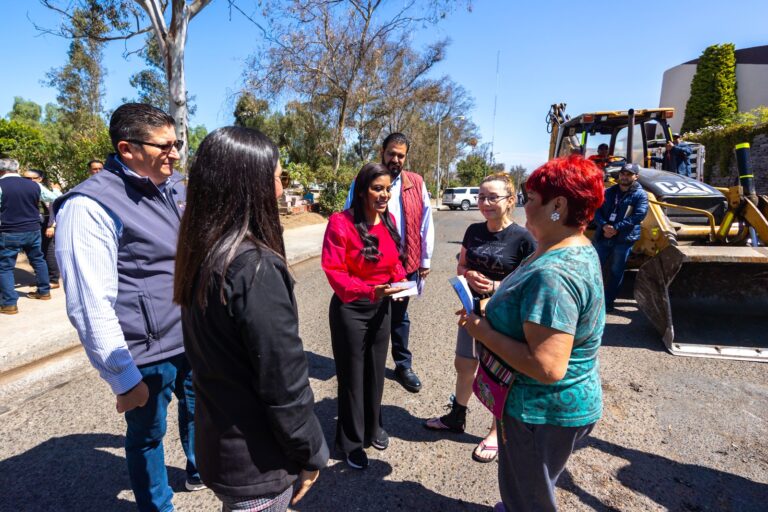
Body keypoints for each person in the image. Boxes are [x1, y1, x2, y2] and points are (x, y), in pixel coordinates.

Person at [54, 103, 202, 511]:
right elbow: (88, 303)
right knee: (147, 436)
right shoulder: (89, 206)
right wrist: (123, 377)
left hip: (190, 333)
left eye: (178, 143)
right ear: (127, 148)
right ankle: (158, 507)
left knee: (199, 410)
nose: (175, 153)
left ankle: (198, 467)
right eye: (165, 146)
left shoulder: (175, 188)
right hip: (145, 350)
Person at [174, 127, 328, 511]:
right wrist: (311, 452)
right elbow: (284, 383)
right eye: (278, 177)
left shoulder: (203, 251)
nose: (280, 190)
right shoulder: (253, 266)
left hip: (219, 447)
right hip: (255, 462)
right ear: (252, 184)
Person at [459, 155, 605, 512]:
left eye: (531, 199)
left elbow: (547, 366)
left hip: (541, 412)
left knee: (530, 498)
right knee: (527, 488)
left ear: (558, 205)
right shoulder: (566, 246)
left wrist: (481, 330)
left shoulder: (553, 274)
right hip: (548, 410)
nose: (524, 206)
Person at [425, 173, 535, 464]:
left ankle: (495, 432)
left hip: (506, 318)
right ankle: (456, 417)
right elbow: (461, 266)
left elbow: (531, 282)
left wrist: (497, 287)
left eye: (492, 197)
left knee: (499, 375)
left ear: (510, 201)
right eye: (481, 197)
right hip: (471, 310)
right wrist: (467, 274)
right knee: (464, 365)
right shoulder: (473, 230)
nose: (484, 203)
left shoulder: (524, 238)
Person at [323, 163, 407, 469]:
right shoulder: (340, 223)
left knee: (375, 371)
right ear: (361, 192)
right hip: (351, 310)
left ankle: (373, 427)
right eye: (377, 188)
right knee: (352, 378)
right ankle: (350, 441)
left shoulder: (389, 220)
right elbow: (335, 272)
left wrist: (399, 282)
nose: (384, 195)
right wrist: (372, 291)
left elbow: (395, 263)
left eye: (387, 189)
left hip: (381, 307)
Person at [344, 133, 434, 393]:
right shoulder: (365, 179)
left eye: (401, 155)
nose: (396, 159)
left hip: (405, 266)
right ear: (382, 151)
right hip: (370, 265)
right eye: (391, 153)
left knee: (399, 317)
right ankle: (367, 363)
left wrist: (425, 260)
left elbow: (426, 222)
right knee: (369, 313)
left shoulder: (416, 183)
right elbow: (351, 217)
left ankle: (403, 365)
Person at [0, 158, 60, 315]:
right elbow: (54, 198)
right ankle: (44, 291)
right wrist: (57, 190)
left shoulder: (1, 185)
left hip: (9, 230)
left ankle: (9, 303)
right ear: (17, 169)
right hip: (33, 229)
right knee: (38, 260)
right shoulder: (34, 185)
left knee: (5, 267)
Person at [592, 163, 649, 311]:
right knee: (593, 268)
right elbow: (596, 211)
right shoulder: (608, 192)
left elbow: (638, 216)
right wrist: (604, 225)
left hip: (624, 239)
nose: (624, 176)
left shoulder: (640, 195)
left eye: (629, 174)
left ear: (636, 177)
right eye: (623, 173)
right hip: (603, 236)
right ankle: (590, 301)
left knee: (616, 271)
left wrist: (616, 228)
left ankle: (608, 302)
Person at [23, 169, 61, 289]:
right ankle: (42, 279)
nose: (28, 181)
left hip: (45, 224)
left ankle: (53, 279)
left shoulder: (42, 190)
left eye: (31, 178)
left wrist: (51, 226)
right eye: (25, 179)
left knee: (47, 251)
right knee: (37, 253)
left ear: (39, 179)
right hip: (34, 224)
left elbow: (52, 208)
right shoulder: (28, 189)